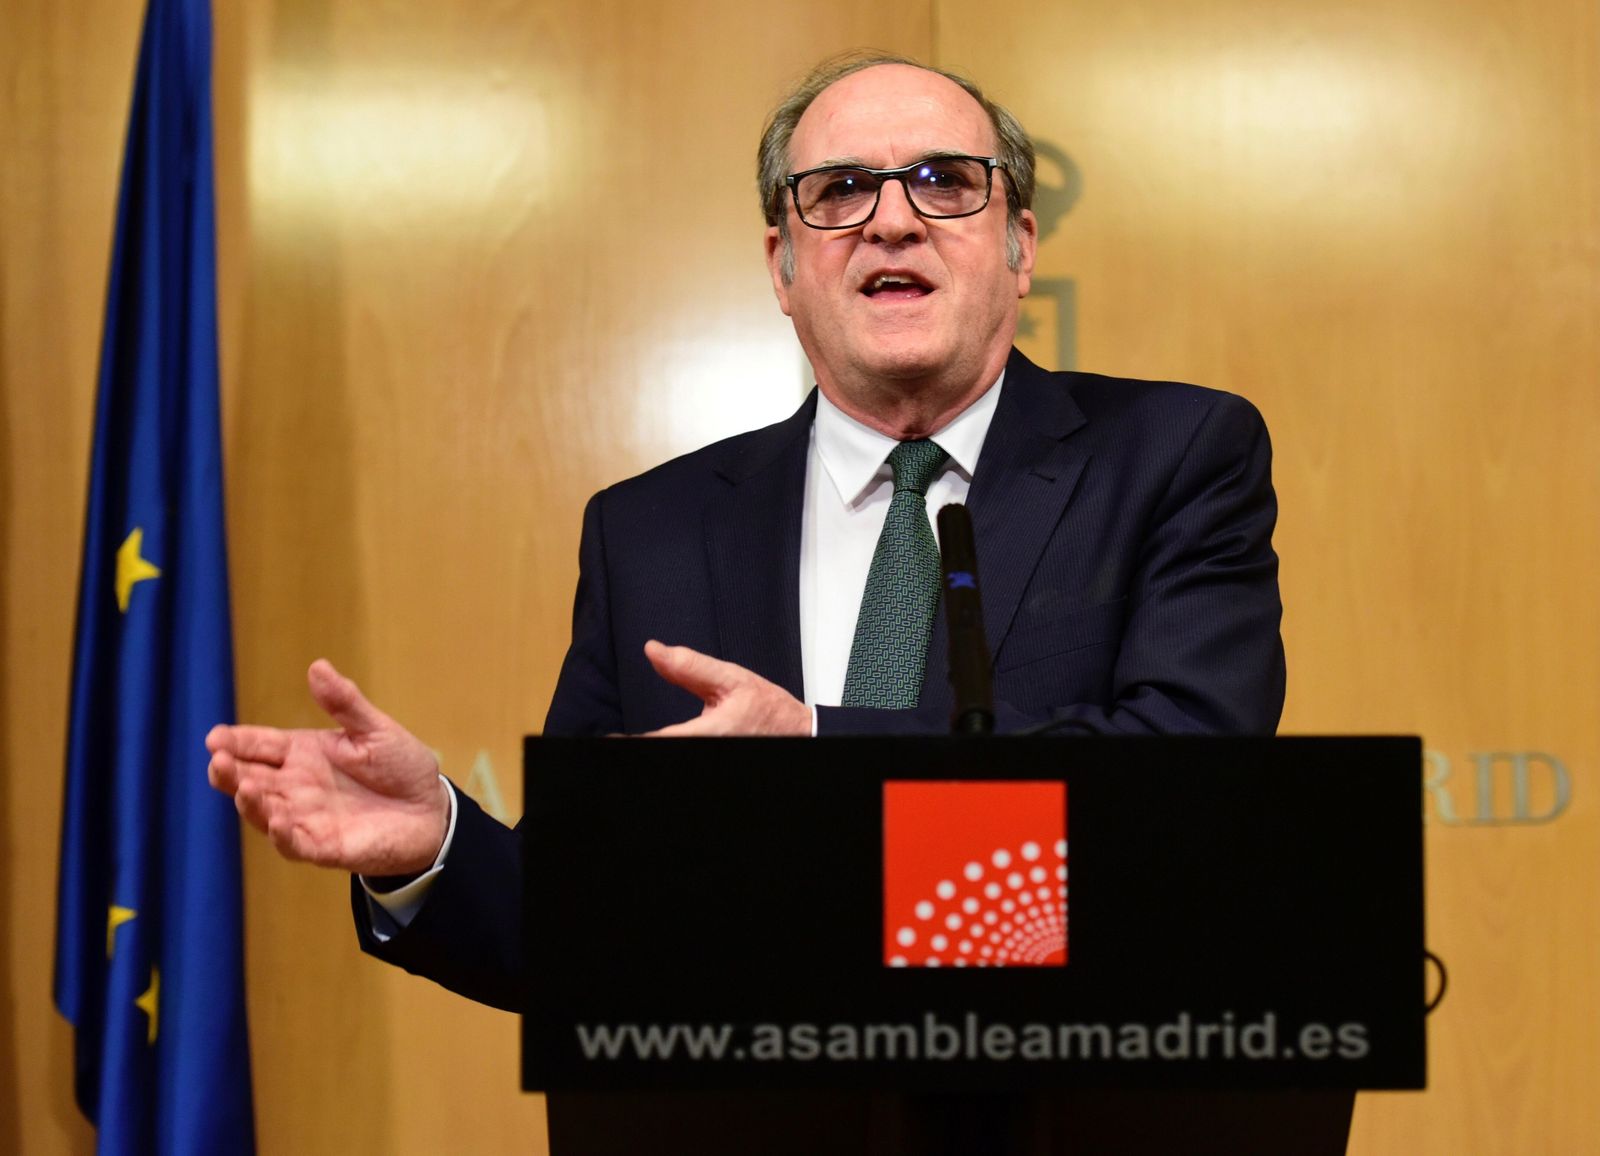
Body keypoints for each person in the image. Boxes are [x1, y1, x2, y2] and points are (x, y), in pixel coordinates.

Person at [206, 50, 1283, 1014]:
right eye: (840, 190)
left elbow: (1182, 793)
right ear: (780, 264)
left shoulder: (1175, 455)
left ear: (1018, 245)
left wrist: (813, 753)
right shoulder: (650, 532)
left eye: (944, 182)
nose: (893, 220)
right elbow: (586, 923)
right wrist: (436, 842)